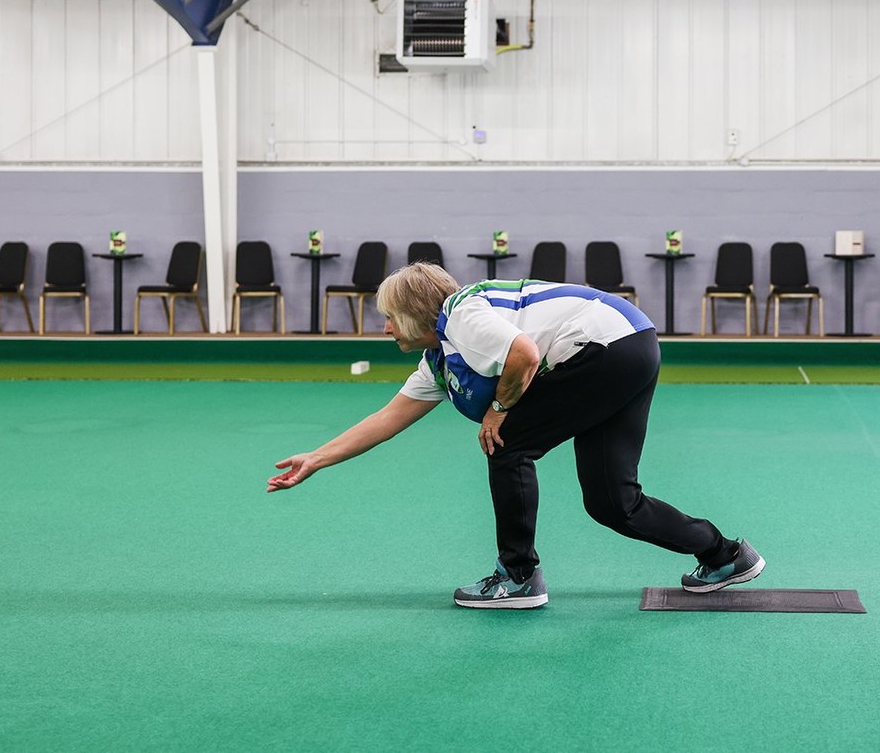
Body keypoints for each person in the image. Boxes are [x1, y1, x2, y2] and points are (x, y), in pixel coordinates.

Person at [267, 261, 764, 609]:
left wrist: (499, 412)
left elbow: (524, 353)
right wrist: (317, 457)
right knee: (613, 501)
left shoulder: (463, 313)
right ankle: (725, 555)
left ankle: (519, 576)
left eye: (389, 318)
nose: (385, 328)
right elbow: (389, 418)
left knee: (506, 442)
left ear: (418, 310)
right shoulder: (440, 357)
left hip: (602, 346)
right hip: (631, 344)